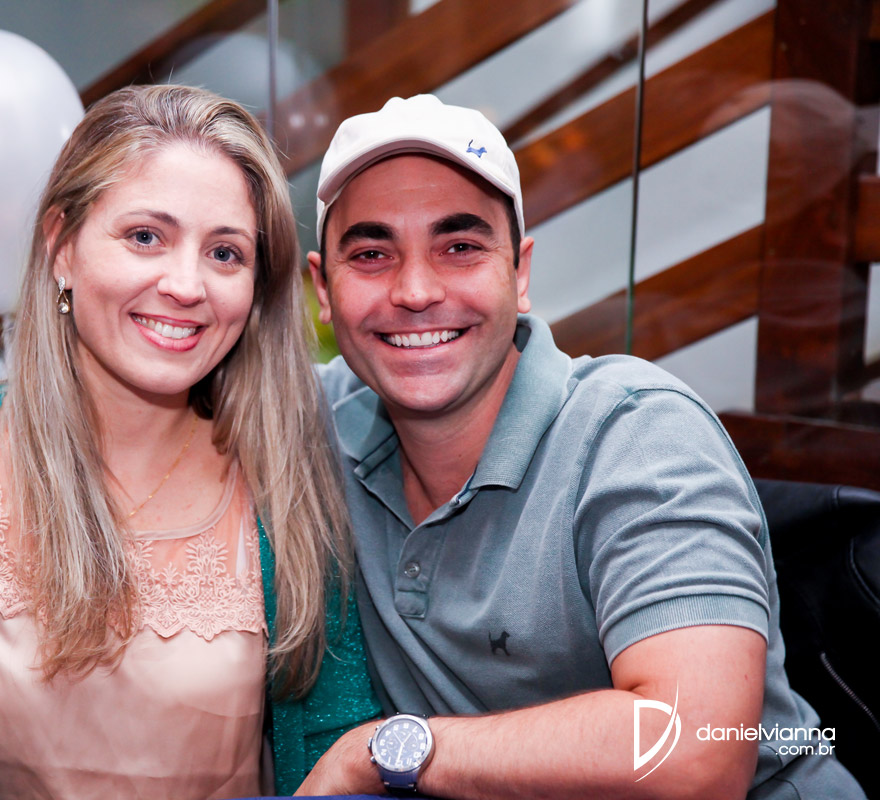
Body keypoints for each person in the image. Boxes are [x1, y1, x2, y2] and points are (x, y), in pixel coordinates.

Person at [295, 94, 864, 799]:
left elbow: (696, 754)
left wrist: (384, 751)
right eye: (372, 254)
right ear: (324, 288)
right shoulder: (313, 424)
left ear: (519, 273)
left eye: (460, 247)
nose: (415, 290)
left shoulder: (639, 435)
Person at [0, 84, 378, 800]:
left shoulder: (289, 474)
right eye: (145, 237)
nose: (186, 285)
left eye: (225, 253)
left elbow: (335, 753)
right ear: (61, 245)